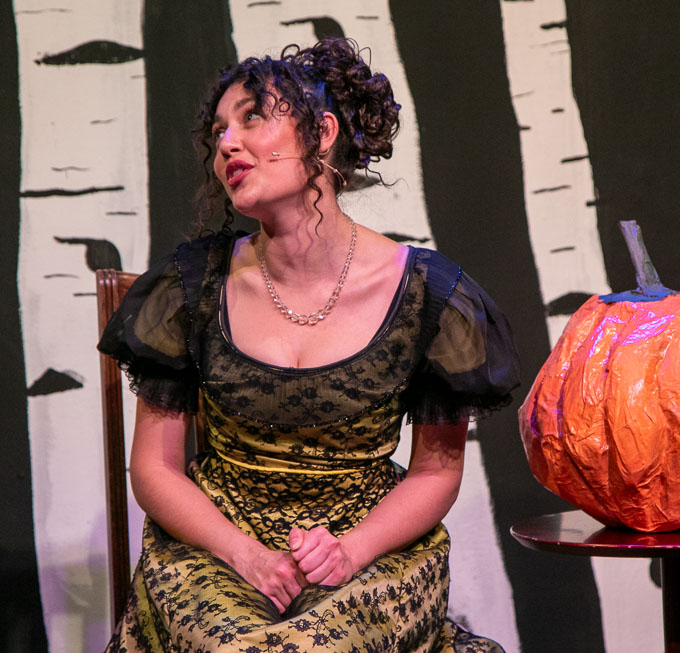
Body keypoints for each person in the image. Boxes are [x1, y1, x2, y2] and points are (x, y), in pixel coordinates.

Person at [99, 37, 520, 652]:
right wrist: (244, 553)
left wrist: (352, 550)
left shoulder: (428, 294)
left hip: (368, 546)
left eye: (252, 118)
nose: (227, 143)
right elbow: (155, 468)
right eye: (219, 131)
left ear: (321, 133)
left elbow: (436, 471)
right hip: (218, 546)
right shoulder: (192, 285)